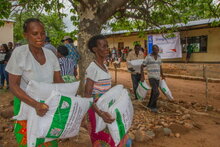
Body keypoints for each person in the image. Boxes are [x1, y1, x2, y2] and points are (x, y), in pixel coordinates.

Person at [5, 18, 64, 146]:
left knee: (49, 140)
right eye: (35, 33)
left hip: (48, 104)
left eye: (42, 33)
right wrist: (35, 104)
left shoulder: (50, 54)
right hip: (26, 103)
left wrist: (71, 99)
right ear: (25, 35)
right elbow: (14, 86)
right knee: (30, 141)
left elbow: (58, 80)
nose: (40, 37)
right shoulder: (19, 53)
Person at [84, 35, 128, 146]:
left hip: (106, 107)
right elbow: (87, 95)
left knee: (115, 137)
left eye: (107, 46)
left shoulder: (104, 66)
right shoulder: (93, 68)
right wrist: (100, 113)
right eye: (103, 46)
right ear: (95, 49)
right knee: (102, 139)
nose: (107, 48)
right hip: (96, 110)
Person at [141, 44, 165, 113]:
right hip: (151, 77)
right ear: (152, 50)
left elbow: (160, 66)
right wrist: (142, 76)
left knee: (153, 92)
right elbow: (142, 66)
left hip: (157, 77)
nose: (156, 51)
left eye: (157, 50)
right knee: (156, 92)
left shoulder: (159, 57)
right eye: (155, 49)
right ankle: (153, 106)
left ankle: (149, 105)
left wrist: (162, 75)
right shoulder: (148, 57)